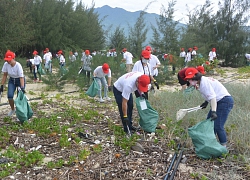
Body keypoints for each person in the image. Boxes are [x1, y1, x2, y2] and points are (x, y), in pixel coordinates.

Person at [184, 67, 234, 147]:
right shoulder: (202, 82)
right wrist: (206, 102)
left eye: (191, 78)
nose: (190, 80)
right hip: (218, 101)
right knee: (209, 122)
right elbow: (210, 95)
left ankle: (223, 146)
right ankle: (210, 144)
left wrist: (213, 111)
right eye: (189, 79)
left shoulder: (204, 84)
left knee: (218, 125)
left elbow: (213, 97)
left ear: (196, 76)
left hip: (224, 101)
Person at [0, 50, 26, 116]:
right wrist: (2, 85)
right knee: (10, 96)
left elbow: (21, 77)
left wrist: (22, 87)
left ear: (13, 58)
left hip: (19, 80)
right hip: (12, 80)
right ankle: (12, 109)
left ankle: (19, 113)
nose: (8, 61)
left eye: (9, 60)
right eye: (7, 60)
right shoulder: (6, 65)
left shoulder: (18, 65)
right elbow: (5, 75)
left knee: (19, 97)